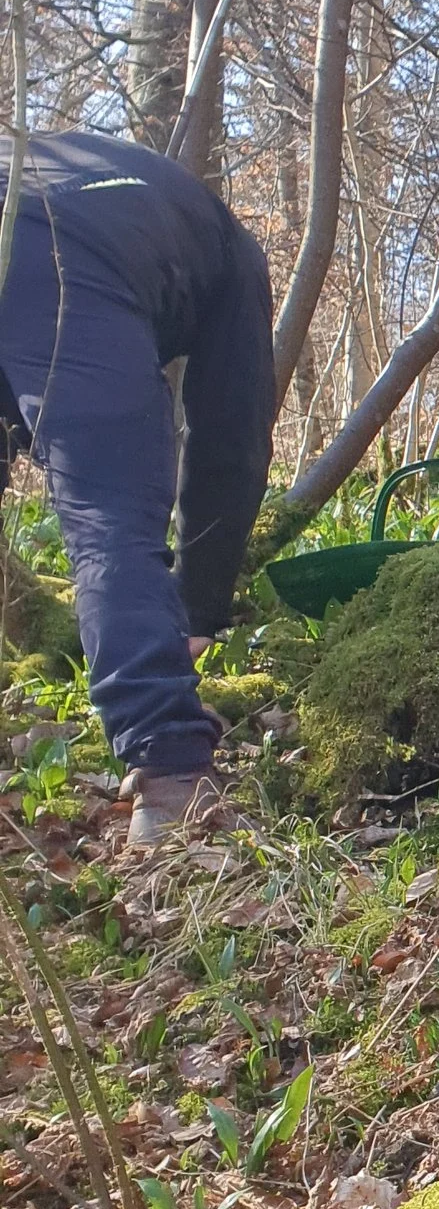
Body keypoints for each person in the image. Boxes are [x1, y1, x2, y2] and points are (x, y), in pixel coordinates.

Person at [0, 132, 274, 853]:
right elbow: (231, 443)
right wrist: (199, 603)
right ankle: (174, 777)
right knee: (110, 515)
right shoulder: (234, 255)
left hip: (23, 221)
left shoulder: (88, 161)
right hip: (64, 255)